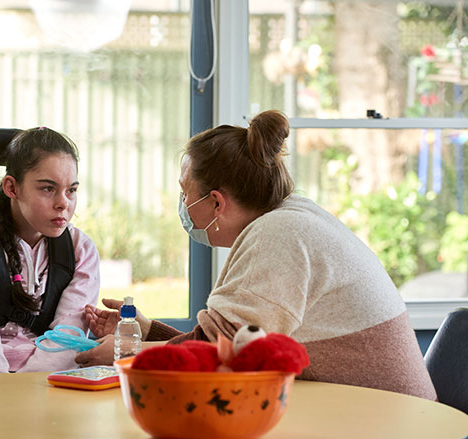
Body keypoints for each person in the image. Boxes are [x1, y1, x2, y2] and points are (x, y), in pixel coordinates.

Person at [76, 110, 437, 400]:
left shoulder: (278, 236)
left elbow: (222, 357)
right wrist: (146, 331)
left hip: (387, 423)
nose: (184, 206)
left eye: (186, 194)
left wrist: (129, 353)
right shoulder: (292, 217)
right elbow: (236, 345)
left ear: (216, 201)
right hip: (384, 413)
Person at [0, 127, 100, 375]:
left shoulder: (80, 249)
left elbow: (67, 337)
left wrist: (30, 389)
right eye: (48, 188)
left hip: (46, 382)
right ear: (12, 188)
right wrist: (3, 390)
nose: (63, 203)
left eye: (71, 190)